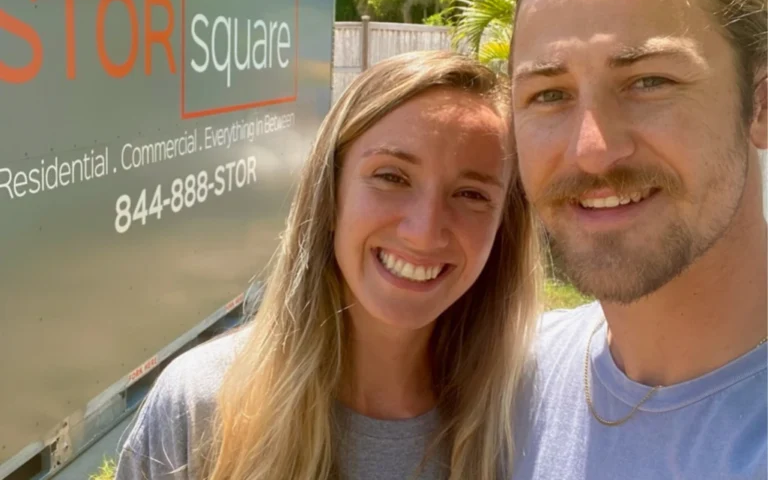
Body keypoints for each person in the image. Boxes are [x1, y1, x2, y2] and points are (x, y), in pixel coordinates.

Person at [114, 51, 542, 480]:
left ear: (505, 222)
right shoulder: (199, 406)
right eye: (391, 177)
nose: (424, 232)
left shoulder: (529, 425)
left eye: (471, 194)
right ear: (331, 191)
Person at [508, 0, 767, 479]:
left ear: (761, 105)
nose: (594, 151)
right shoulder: (508, 389)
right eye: (549, 95)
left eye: (649, 82)